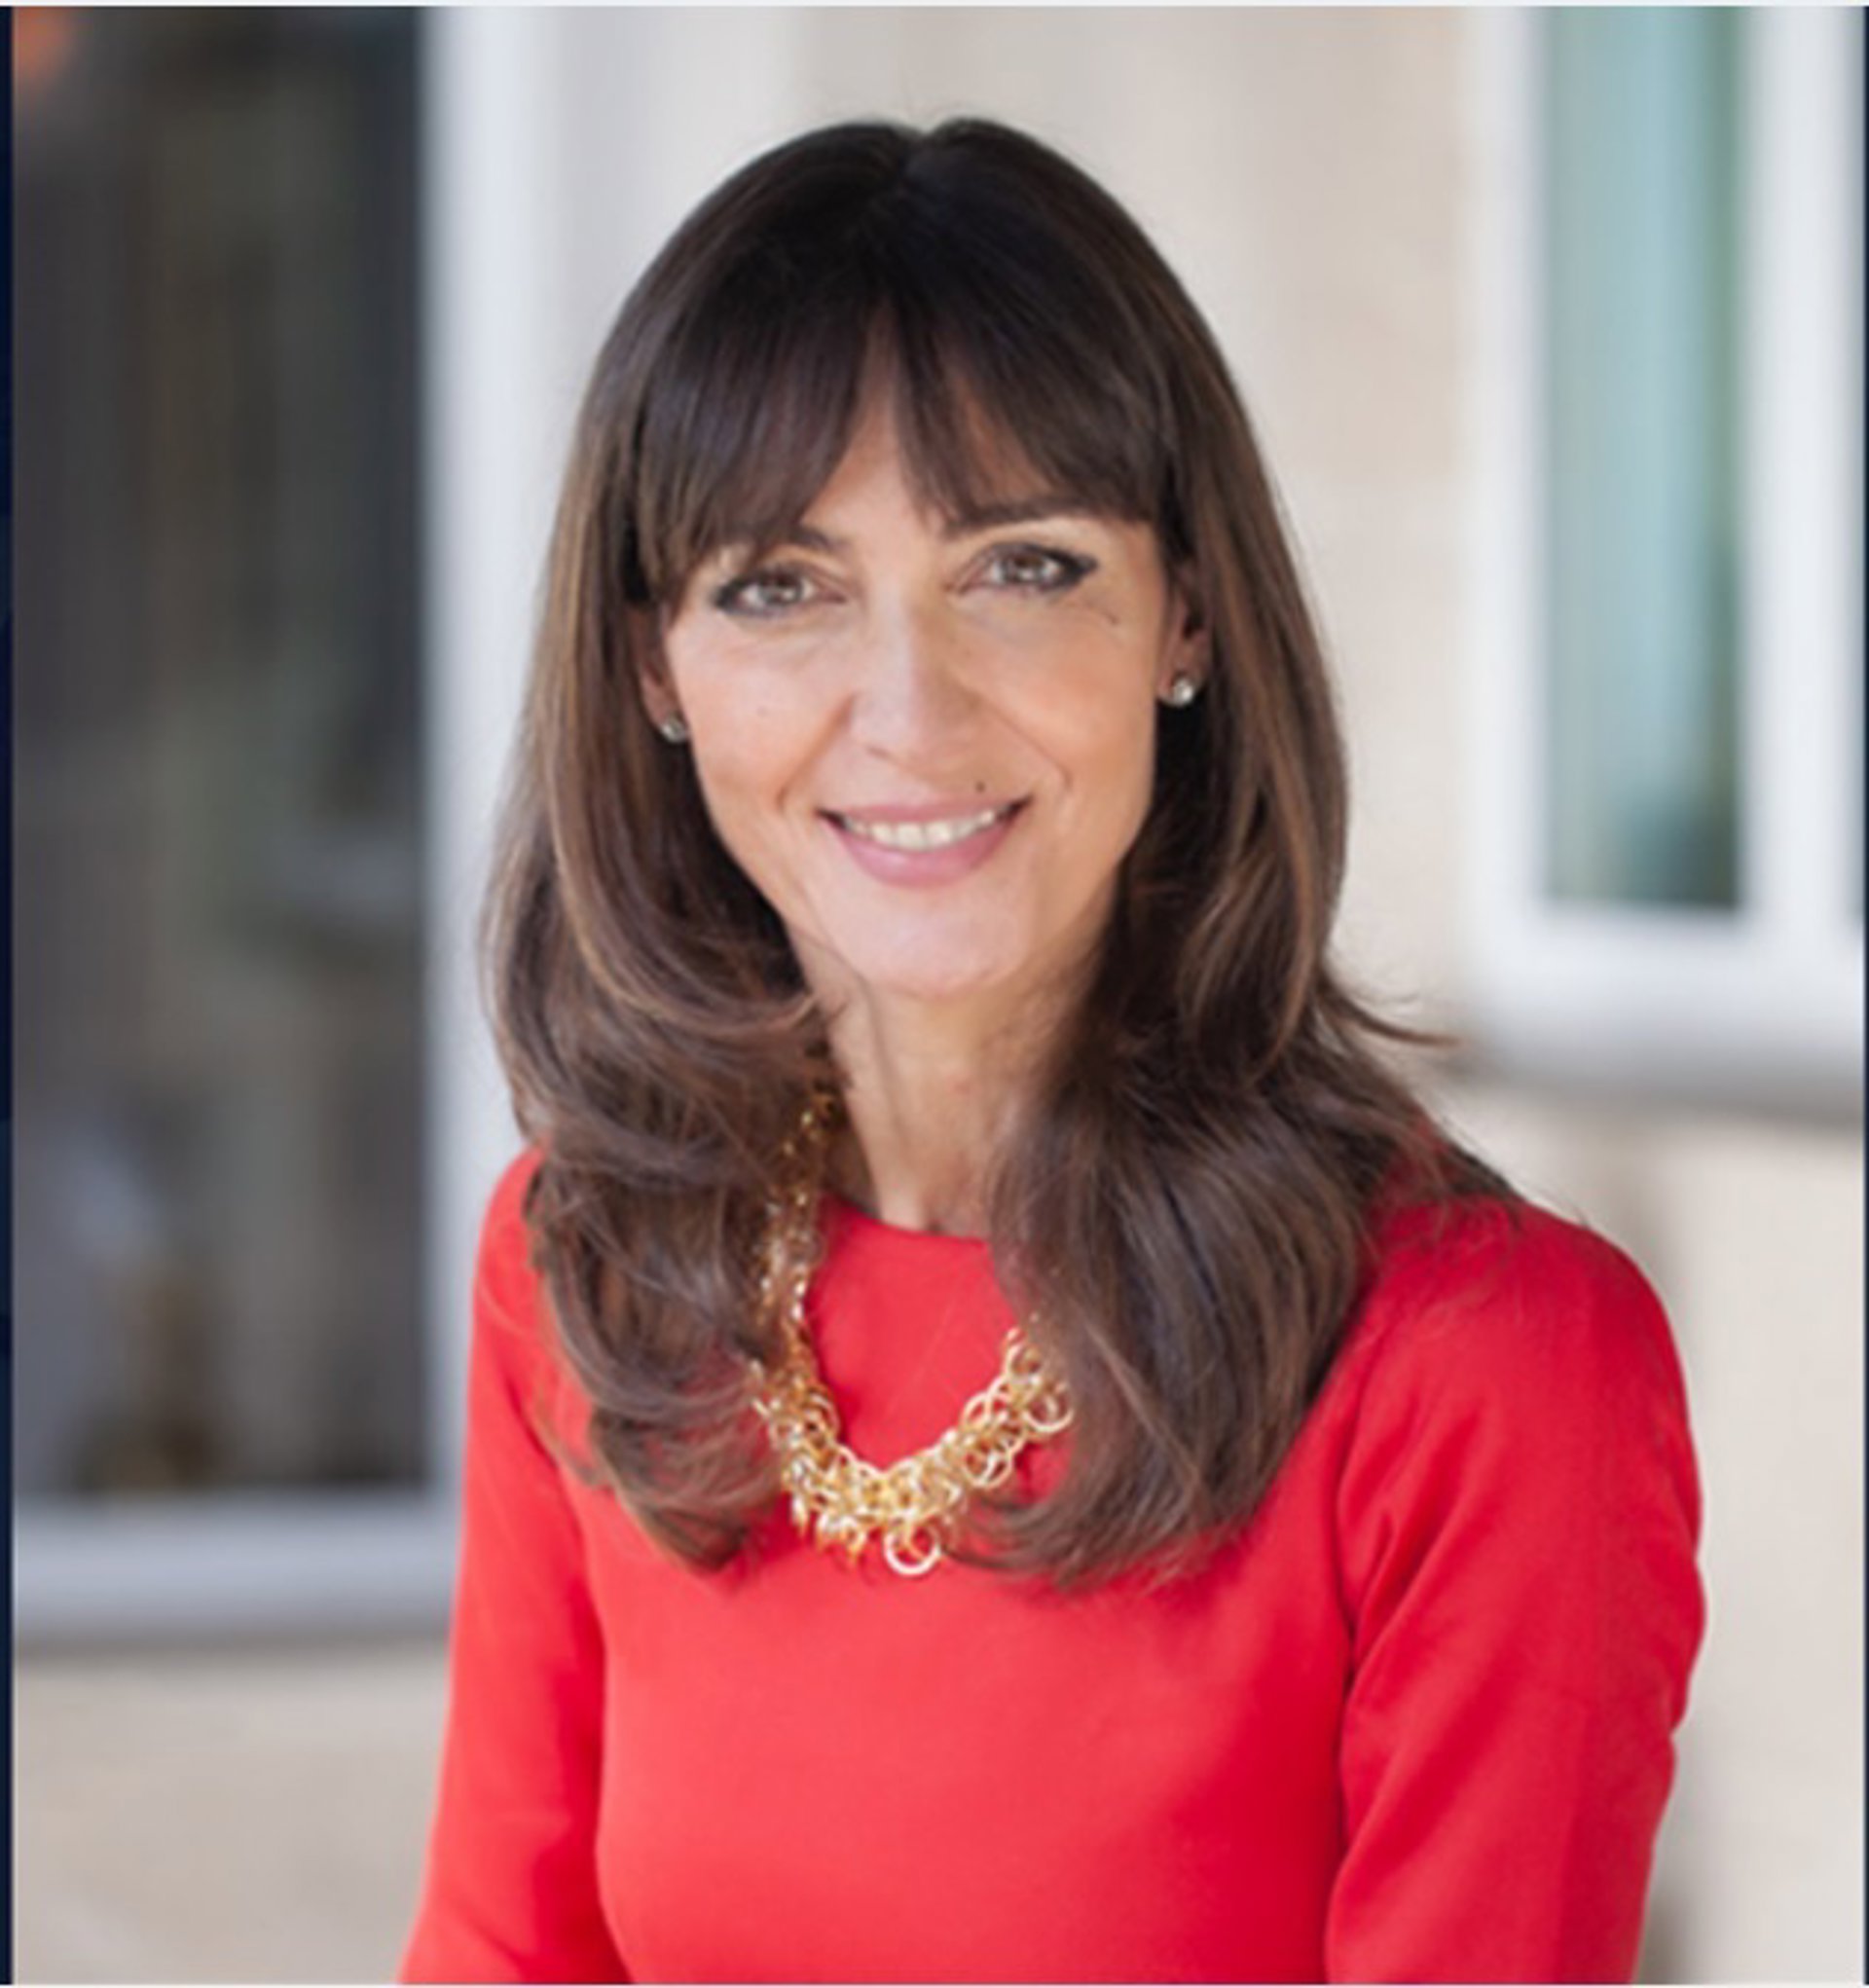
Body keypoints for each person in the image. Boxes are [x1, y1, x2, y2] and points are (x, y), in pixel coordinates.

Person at [401, 117, 1703, 1985]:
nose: (909, 712)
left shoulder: (1486, 1368)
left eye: (1020, 565)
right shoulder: (591, 1268)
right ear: (652, 667)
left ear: (1186, 614)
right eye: (781, 585)